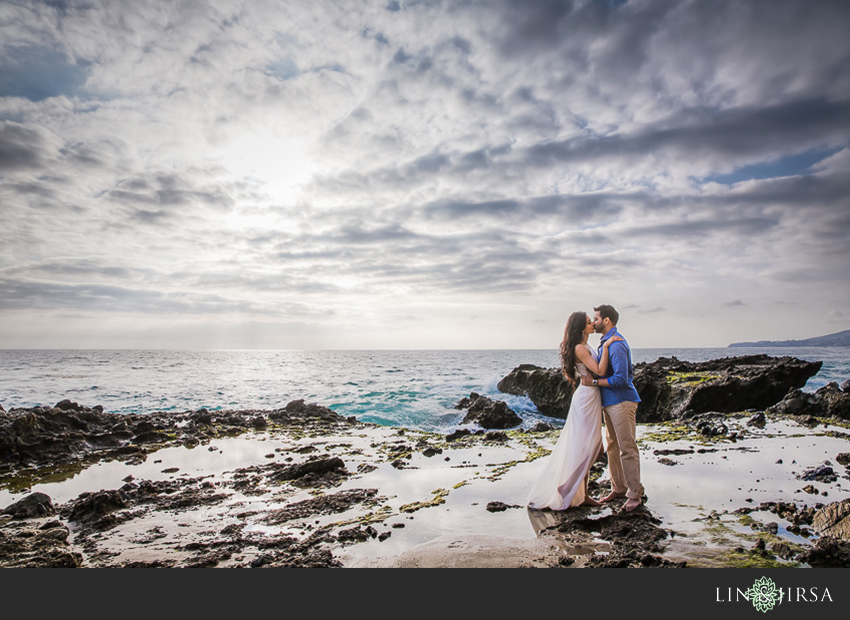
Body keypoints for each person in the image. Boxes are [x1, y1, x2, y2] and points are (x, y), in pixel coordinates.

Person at [527, 311, 622, 511]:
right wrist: (606, 346)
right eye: (589, 323)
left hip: (592, 396)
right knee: (584, 446)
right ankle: (566, 487)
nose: (592, 325)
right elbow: (600, 370)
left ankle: (583, 494)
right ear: (581, 328)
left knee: (591, 445)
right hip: (586, 398)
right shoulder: (580, 348)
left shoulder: (585, 345)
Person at [580, 304, 644, 512]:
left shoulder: (616, 344)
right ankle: (619, 488)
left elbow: (621, 378)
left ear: (607, 320)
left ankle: (635, 495)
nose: (593, 322)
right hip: (610, 402)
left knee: (627, 448)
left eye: (596, 319)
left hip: (622, 401)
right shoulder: (606, 343)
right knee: (613, 447)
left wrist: (595, 383)